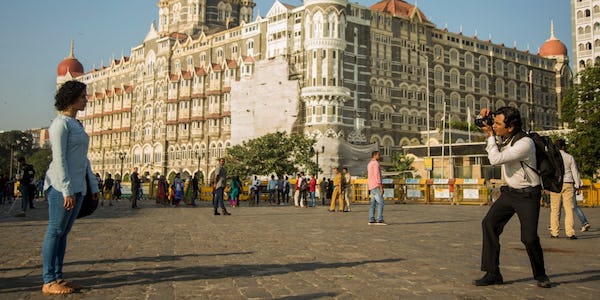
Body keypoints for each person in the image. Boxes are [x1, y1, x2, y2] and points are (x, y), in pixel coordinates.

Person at [474, 107, 551, 288]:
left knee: (529, 237)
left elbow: (496, 159)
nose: (495, 126)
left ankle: (541, 275)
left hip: (527, 195)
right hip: (509, 193)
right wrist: (485, 120)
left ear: (511, 127)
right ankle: (492, 273)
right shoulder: (507, 137)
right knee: (489, 224)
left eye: (498, 124)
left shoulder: (525, 143)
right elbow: (483, 125)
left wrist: (491, 137)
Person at [42, 80, 100, 295]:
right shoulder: (60, 125)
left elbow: (83, 159)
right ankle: (48, 280)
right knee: (55, 231)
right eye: (83, 96)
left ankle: (58, 276)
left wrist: (91, 185)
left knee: (64, 233)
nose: (86, 99)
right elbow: (59, 159)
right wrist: (66, 189)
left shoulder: (77, 125)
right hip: (59, 187)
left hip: (78, 186)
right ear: (72, 98)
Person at [549, 139, 588, 238]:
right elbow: (575, 172)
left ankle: (554, 232)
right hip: (568, 183)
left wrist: (547, 185)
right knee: (569, 209)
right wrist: (578, 185)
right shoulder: (569, 157)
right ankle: (570, 233)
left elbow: (548, 172)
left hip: (556, 185)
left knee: (555, 210)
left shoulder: (552, 157)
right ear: (563, 147)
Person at [367, 151, 385, 225]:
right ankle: (379, 219)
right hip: (376, 185)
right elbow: (377, 175)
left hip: (371, 185)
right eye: (378, 155)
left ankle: (371, 219)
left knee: (373, 203)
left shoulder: (369, 163)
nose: (379, 156)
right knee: (381, 202)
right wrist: (380, 186)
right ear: (374, 155)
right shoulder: (376, 164)